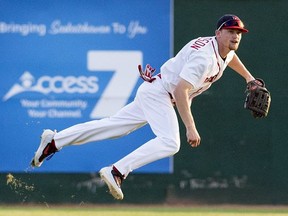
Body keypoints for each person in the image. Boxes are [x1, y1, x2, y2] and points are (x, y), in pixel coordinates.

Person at [31, 14, 257, 200]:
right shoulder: (205, 59)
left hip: (156, 90)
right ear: (218, 32)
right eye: (230, 31)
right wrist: (190, 126)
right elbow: (181, 91)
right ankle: (117, 170)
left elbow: (231, 58)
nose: (235, 36)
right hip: (161, 94)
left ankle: (55, 141)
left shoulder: (222, 50)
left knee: (114, 127)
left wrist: (249, 78)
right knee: (171, 142)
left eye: (238, 32)